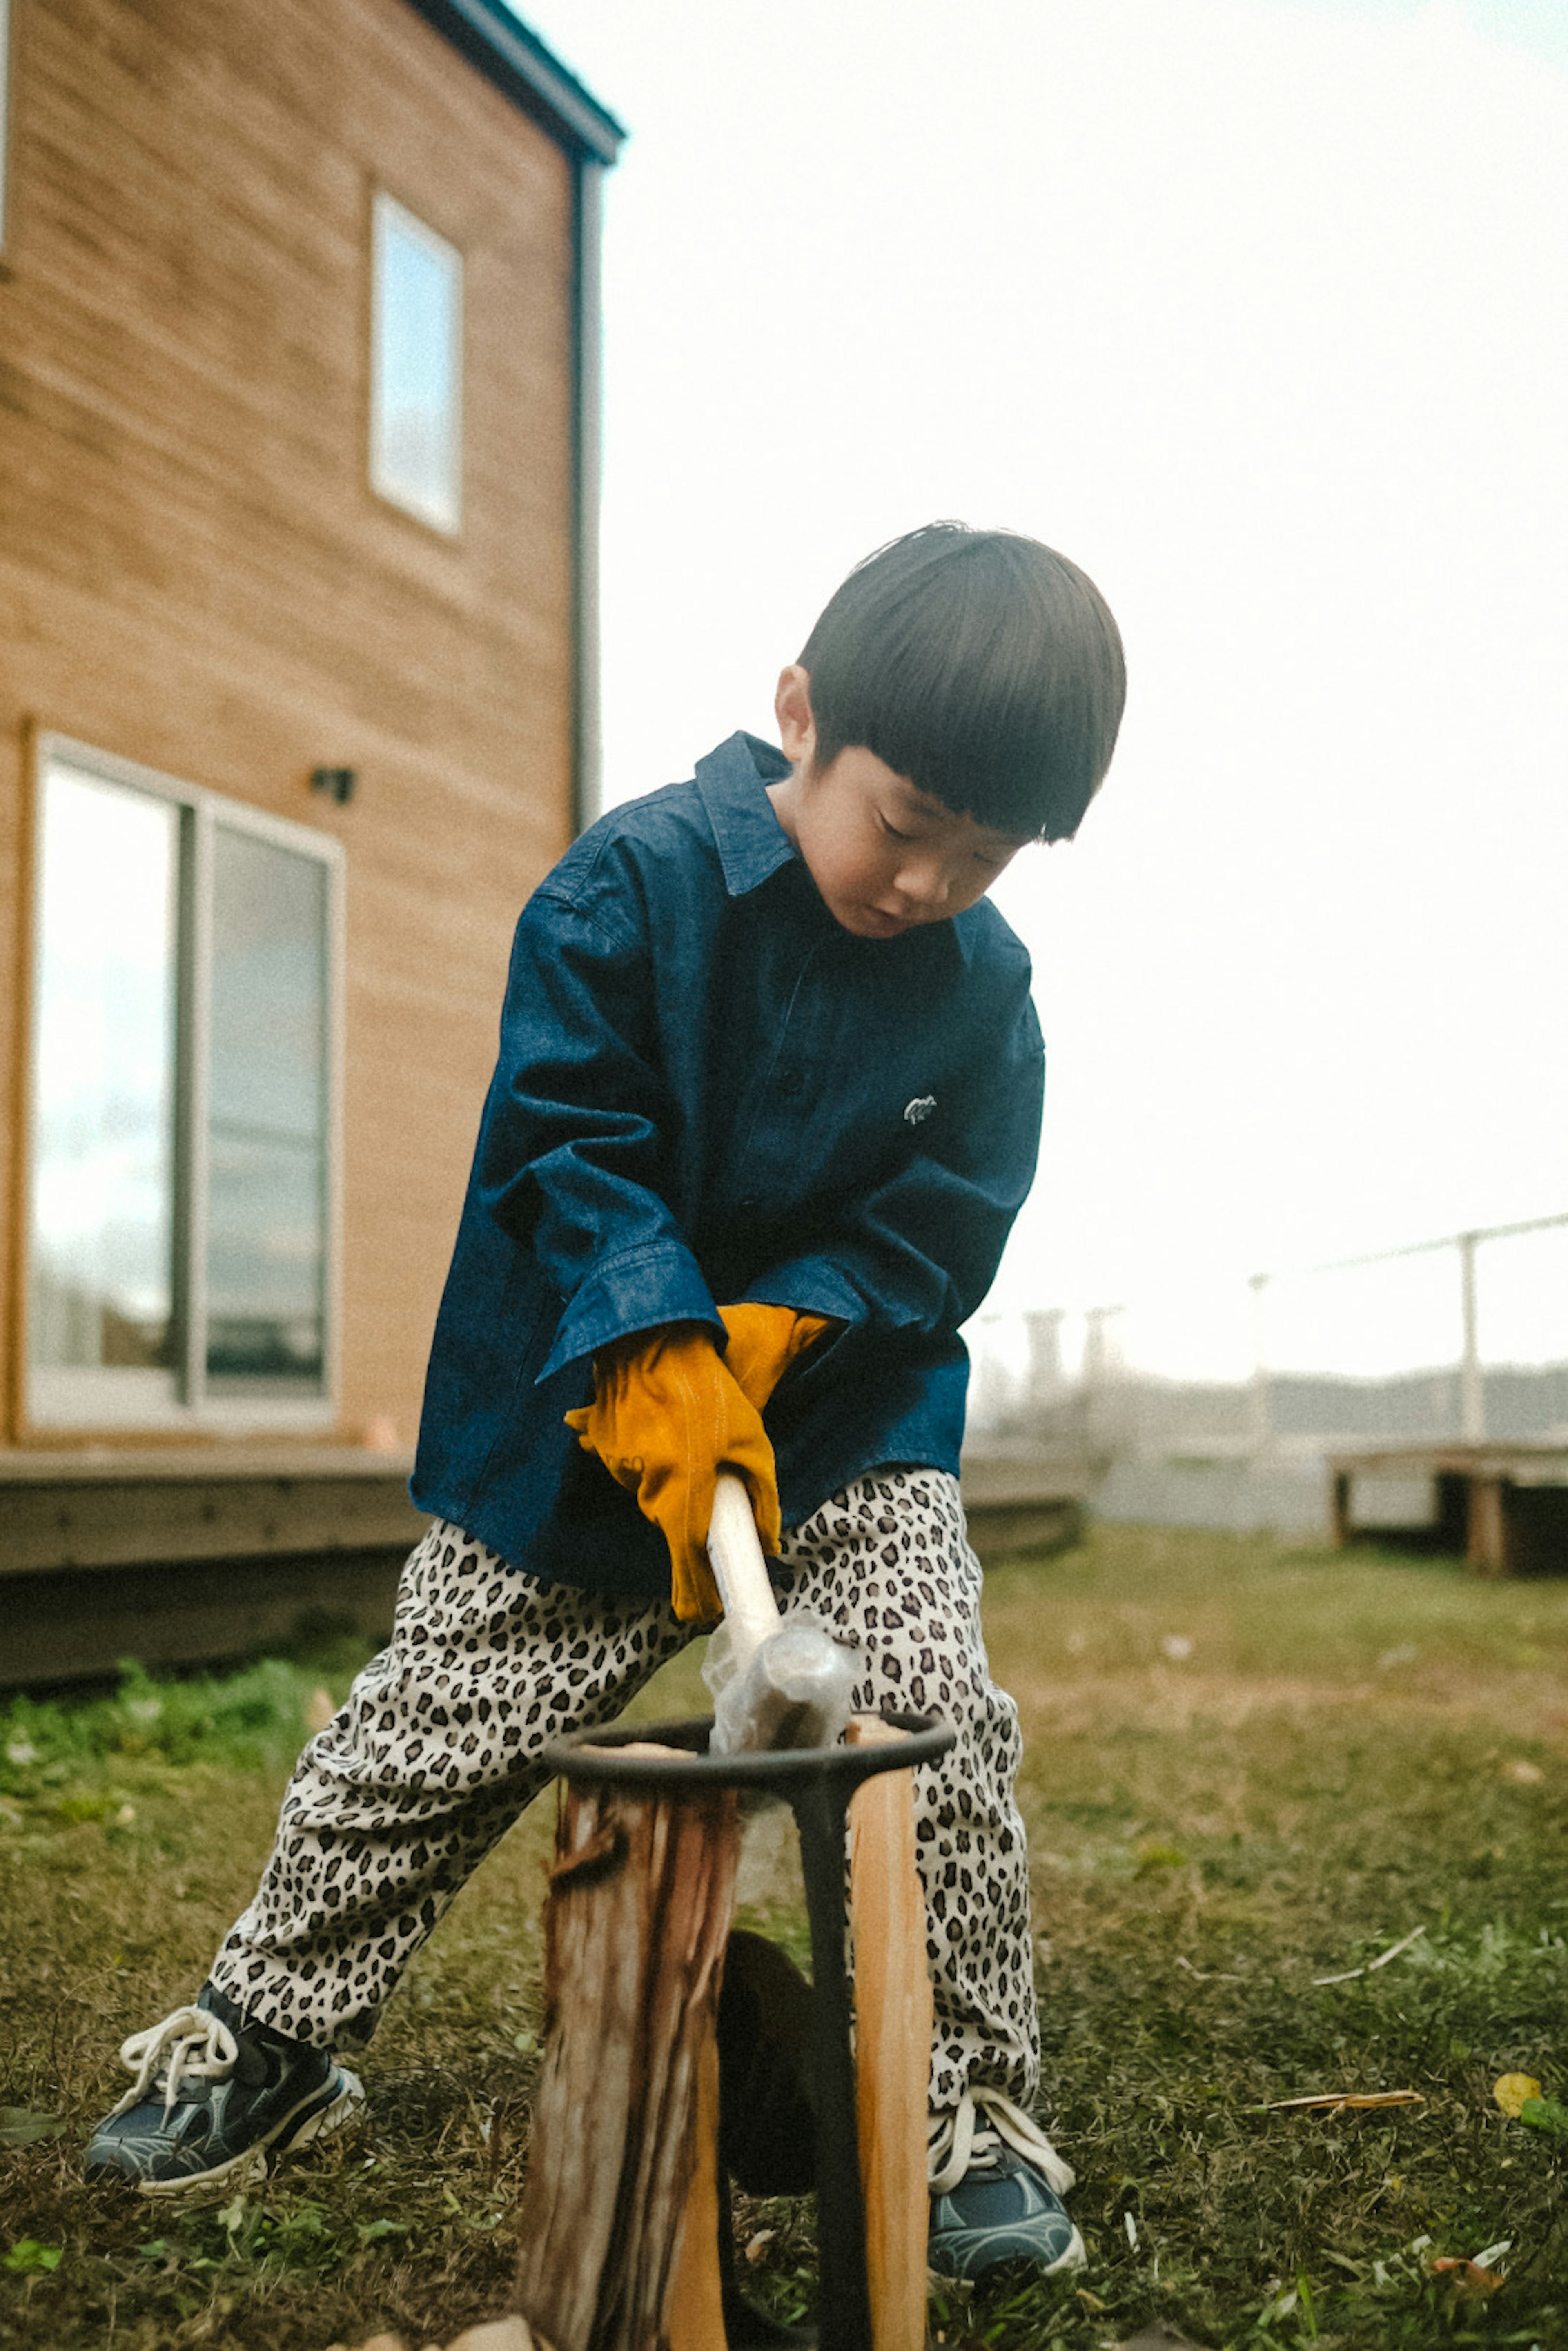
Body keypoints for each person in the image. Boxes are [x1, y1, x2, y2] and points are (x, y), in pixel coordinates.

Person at [86, 522, 1125, 2284]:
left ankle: (965, 2103)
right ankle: (269, 2029)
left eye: (988, 851)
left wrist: (792, 1329)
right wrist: (656, 1347)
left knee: (927, 1710)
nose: (931, 883)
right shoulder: (625, 889)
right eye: (908, 821)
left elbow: (939, 1225)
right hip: (589, 1398)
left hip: (840, 1424)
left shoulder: (988, 999)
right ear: (802, 714)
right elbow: (572, 1142)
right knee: (432, 1729)